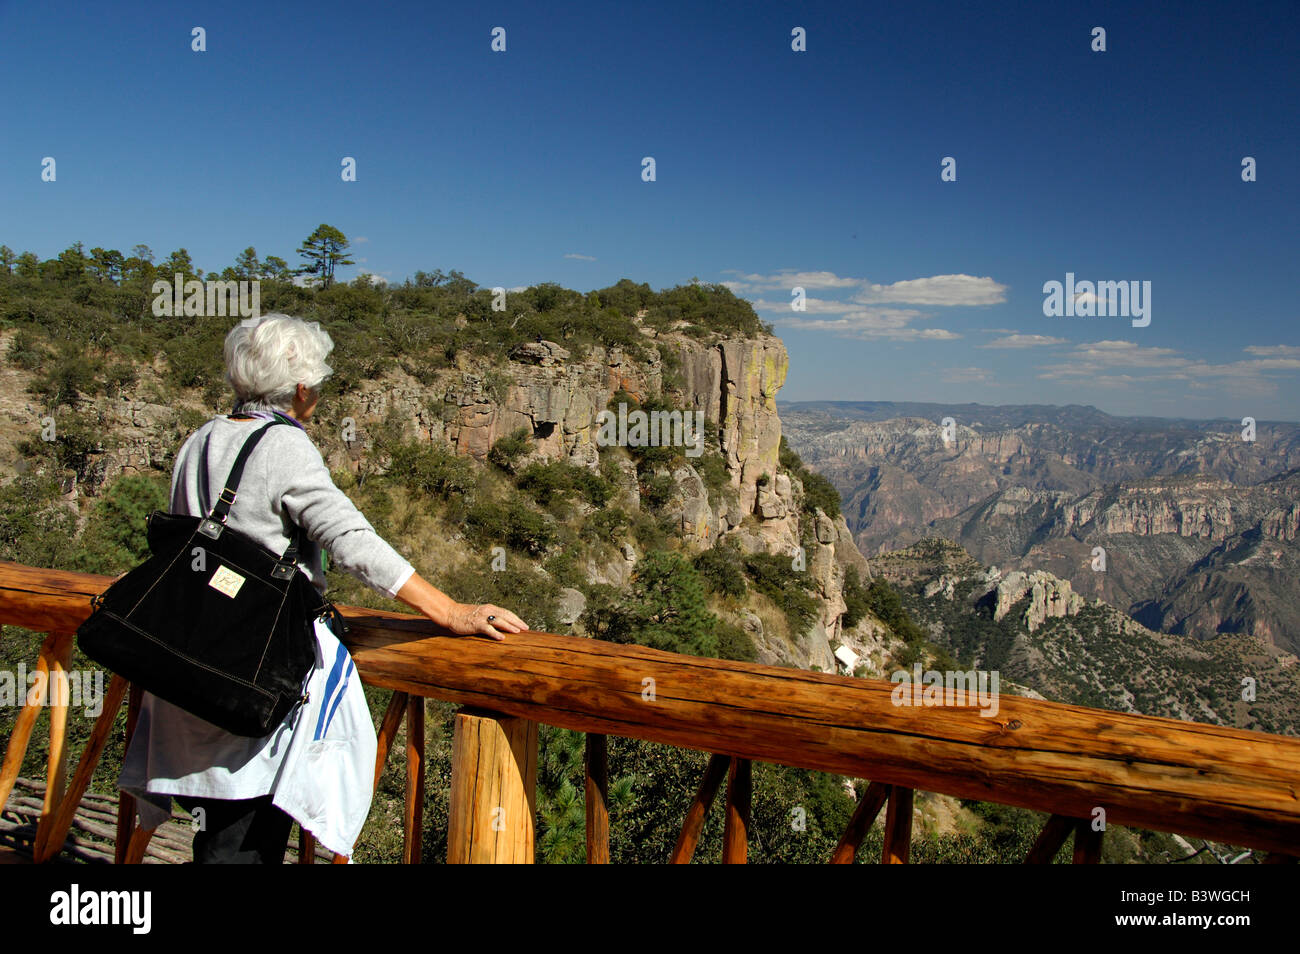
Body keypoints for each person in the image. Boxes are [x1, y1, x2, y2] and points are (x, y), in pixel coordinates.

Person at [117, 313, 528, 863]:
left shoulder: (201, 438)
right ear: (303, 389)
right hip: (252, 661)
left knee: (219, 823)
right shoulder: (284, 446)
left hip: (189, 652)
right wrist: (449, 610)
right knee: (242, 834)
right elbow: (350, 540)